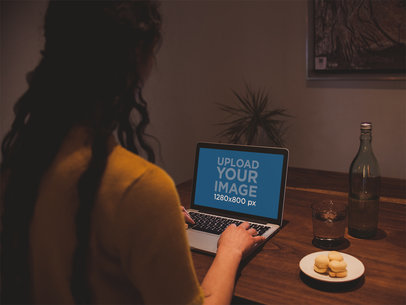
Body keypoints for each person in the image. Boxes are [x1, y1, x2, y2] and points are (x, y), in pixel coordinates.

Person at [0, 1, 265, 304]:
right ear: (139, 57)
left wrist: (154, 221)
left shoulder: (16, 172)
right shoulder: (141, 191)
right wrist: (230, 249)